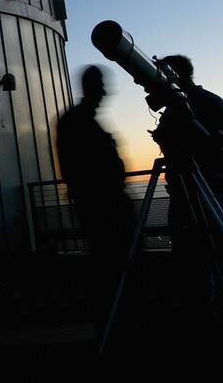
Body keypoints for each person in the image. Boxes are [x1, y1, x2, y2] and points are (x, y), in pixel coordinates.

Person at [151, 54, 223, 336]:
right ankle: (204, 315)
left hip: (211, 191)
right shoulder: (187, 106)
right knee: (189, 258)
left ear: (175, 75)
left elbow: (208, 146)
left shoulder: (205, 104)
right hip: (188, 190)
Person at [56, 66, 136, 329]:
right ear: (91, 88)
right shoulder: (80, 122)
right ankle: (114, 322)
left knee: (108, 264)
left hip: (99, 204)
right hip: (103, 207)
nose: (105, 92)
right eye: (100, 86)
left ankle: (112, 320)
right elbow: (86, 168)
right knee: (111, 265)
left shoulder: (74, 120)